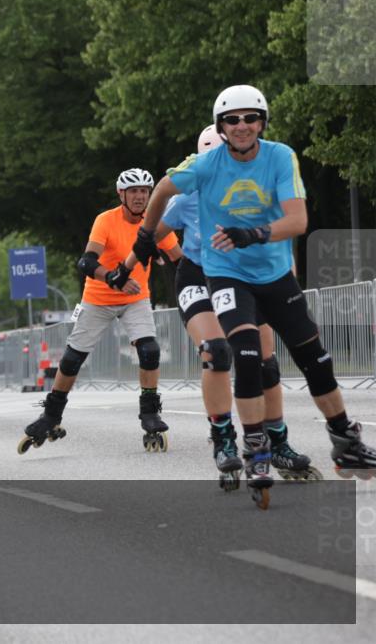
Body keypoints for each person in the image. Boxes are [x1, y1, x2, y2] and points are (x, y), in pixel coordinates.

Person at [132, 84, 376, 504]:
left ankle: (344, 439)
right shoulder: (205, 166)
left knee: (313, 358)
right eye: (232, 120)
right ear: (220, 127)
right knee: (239, 352)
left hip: (273, 272)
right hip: (223, 274)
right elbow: (162, 192)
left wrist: (254, 233)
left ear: (262, 122)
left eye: (250, 118)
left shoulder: (280, 157)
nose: (242, 126)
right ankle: (252, 444)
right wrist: (144, 237)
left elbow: (297, 220)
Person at [126, 125, 319, 490]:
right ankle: (223, 435)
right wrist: (124, 265)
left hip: (246, 277)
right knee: (216, 352)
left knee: (265, 362)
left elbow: (280, 233)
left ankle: (277, 440)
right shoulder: (189, 194)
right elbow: (150, 232)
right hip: (198, 274)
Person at [19, 168, 182, 455]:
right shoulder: (105, 220)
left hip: (136, 298)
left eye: (144, 191)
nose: (139, 196)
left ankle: (150, 413)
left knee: (150, 350)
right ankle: (51, 416)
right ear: (122, 195)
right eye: (133, 192)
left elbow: (178, 260)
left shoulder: (155, 222)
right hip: (98, 297)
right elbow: (86, 262)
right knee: (72, 359)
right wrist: (111, 277)